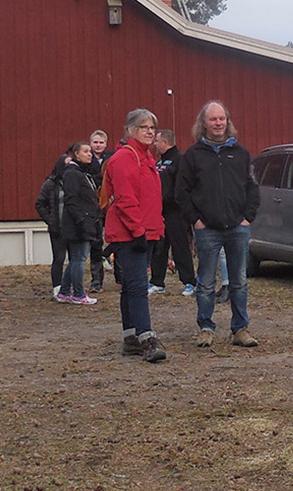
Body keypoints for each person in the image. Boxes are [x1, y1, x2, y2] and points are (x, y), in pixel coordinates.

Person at [175, 100, 261, 348]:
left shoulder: (241, 153)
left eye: (221, 119)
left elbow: (252, 188)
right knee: (205, 282)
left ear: (227, 121)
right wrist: (196, 221)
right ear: (204, 123)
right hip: (207, 230)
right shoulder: (192, 155)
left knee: (239, 281)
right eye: (213, 119)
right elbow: (182, 192)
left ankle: (240, 329)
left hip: (237, 228)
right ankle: (205, 327)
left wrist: (248, 217)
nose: (218, 123)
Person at [101, 110, 166, 361]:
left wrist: (156, 231)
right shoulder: (125, 158)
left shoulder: (145, 157)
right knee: (138, 286)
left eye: (152, 127)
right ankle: (147, 338)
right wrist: (139, 232)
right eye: (143, 127)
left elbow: (151, 200)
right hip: (130, 233)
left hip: (144, 230)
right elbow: (126, 199)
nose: (149, 131)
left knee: (130, 286)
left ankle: (131, 337)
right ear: (130, 129)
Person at [149, 129, 196, 296]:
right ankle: (157, 282)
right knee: (159, 247)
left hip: (176, 212)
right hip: (159, 212)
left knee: (180, 247)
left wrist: (172, 200)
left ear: (165, 143)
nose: (154, 144)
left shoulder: (179, 160)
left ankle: (190, 281)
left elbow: (181, 187)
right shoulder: (158, 163)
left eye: (157, 141)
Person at [56, 141, 100, 306]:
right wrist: (81, 220)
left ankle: (65, 291)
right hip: (78, 223)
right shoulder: (72, 174)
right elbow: (71, 199)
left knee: (76, 258)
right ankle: (79, 293)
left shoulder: (83, 172)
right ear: (76, 154)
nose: (90, 154)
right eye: (86, 151)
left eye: (90, 151)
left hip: (85, 219)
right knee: (79, 258)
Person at [35, 149, 74, 297]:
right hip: (57, 228)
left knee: (74, 258)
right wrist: (50, 220)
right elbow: (39, 204)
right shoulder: (50, 183)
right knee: (58, 258)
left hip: (72, 227)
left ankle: (70, 286)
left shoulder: (74, 181)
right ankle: (57, 286)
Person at [88, 129, 110, 293]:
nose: (98, 145)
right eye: (95, 142)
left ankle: (121, 277)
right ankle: (97, 281)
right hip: (93, 207)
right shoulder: (86, 160)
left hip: (110, 205)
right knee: (96, 244)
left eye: (101, 142)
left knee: (118, 241)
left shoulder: (111, 158)